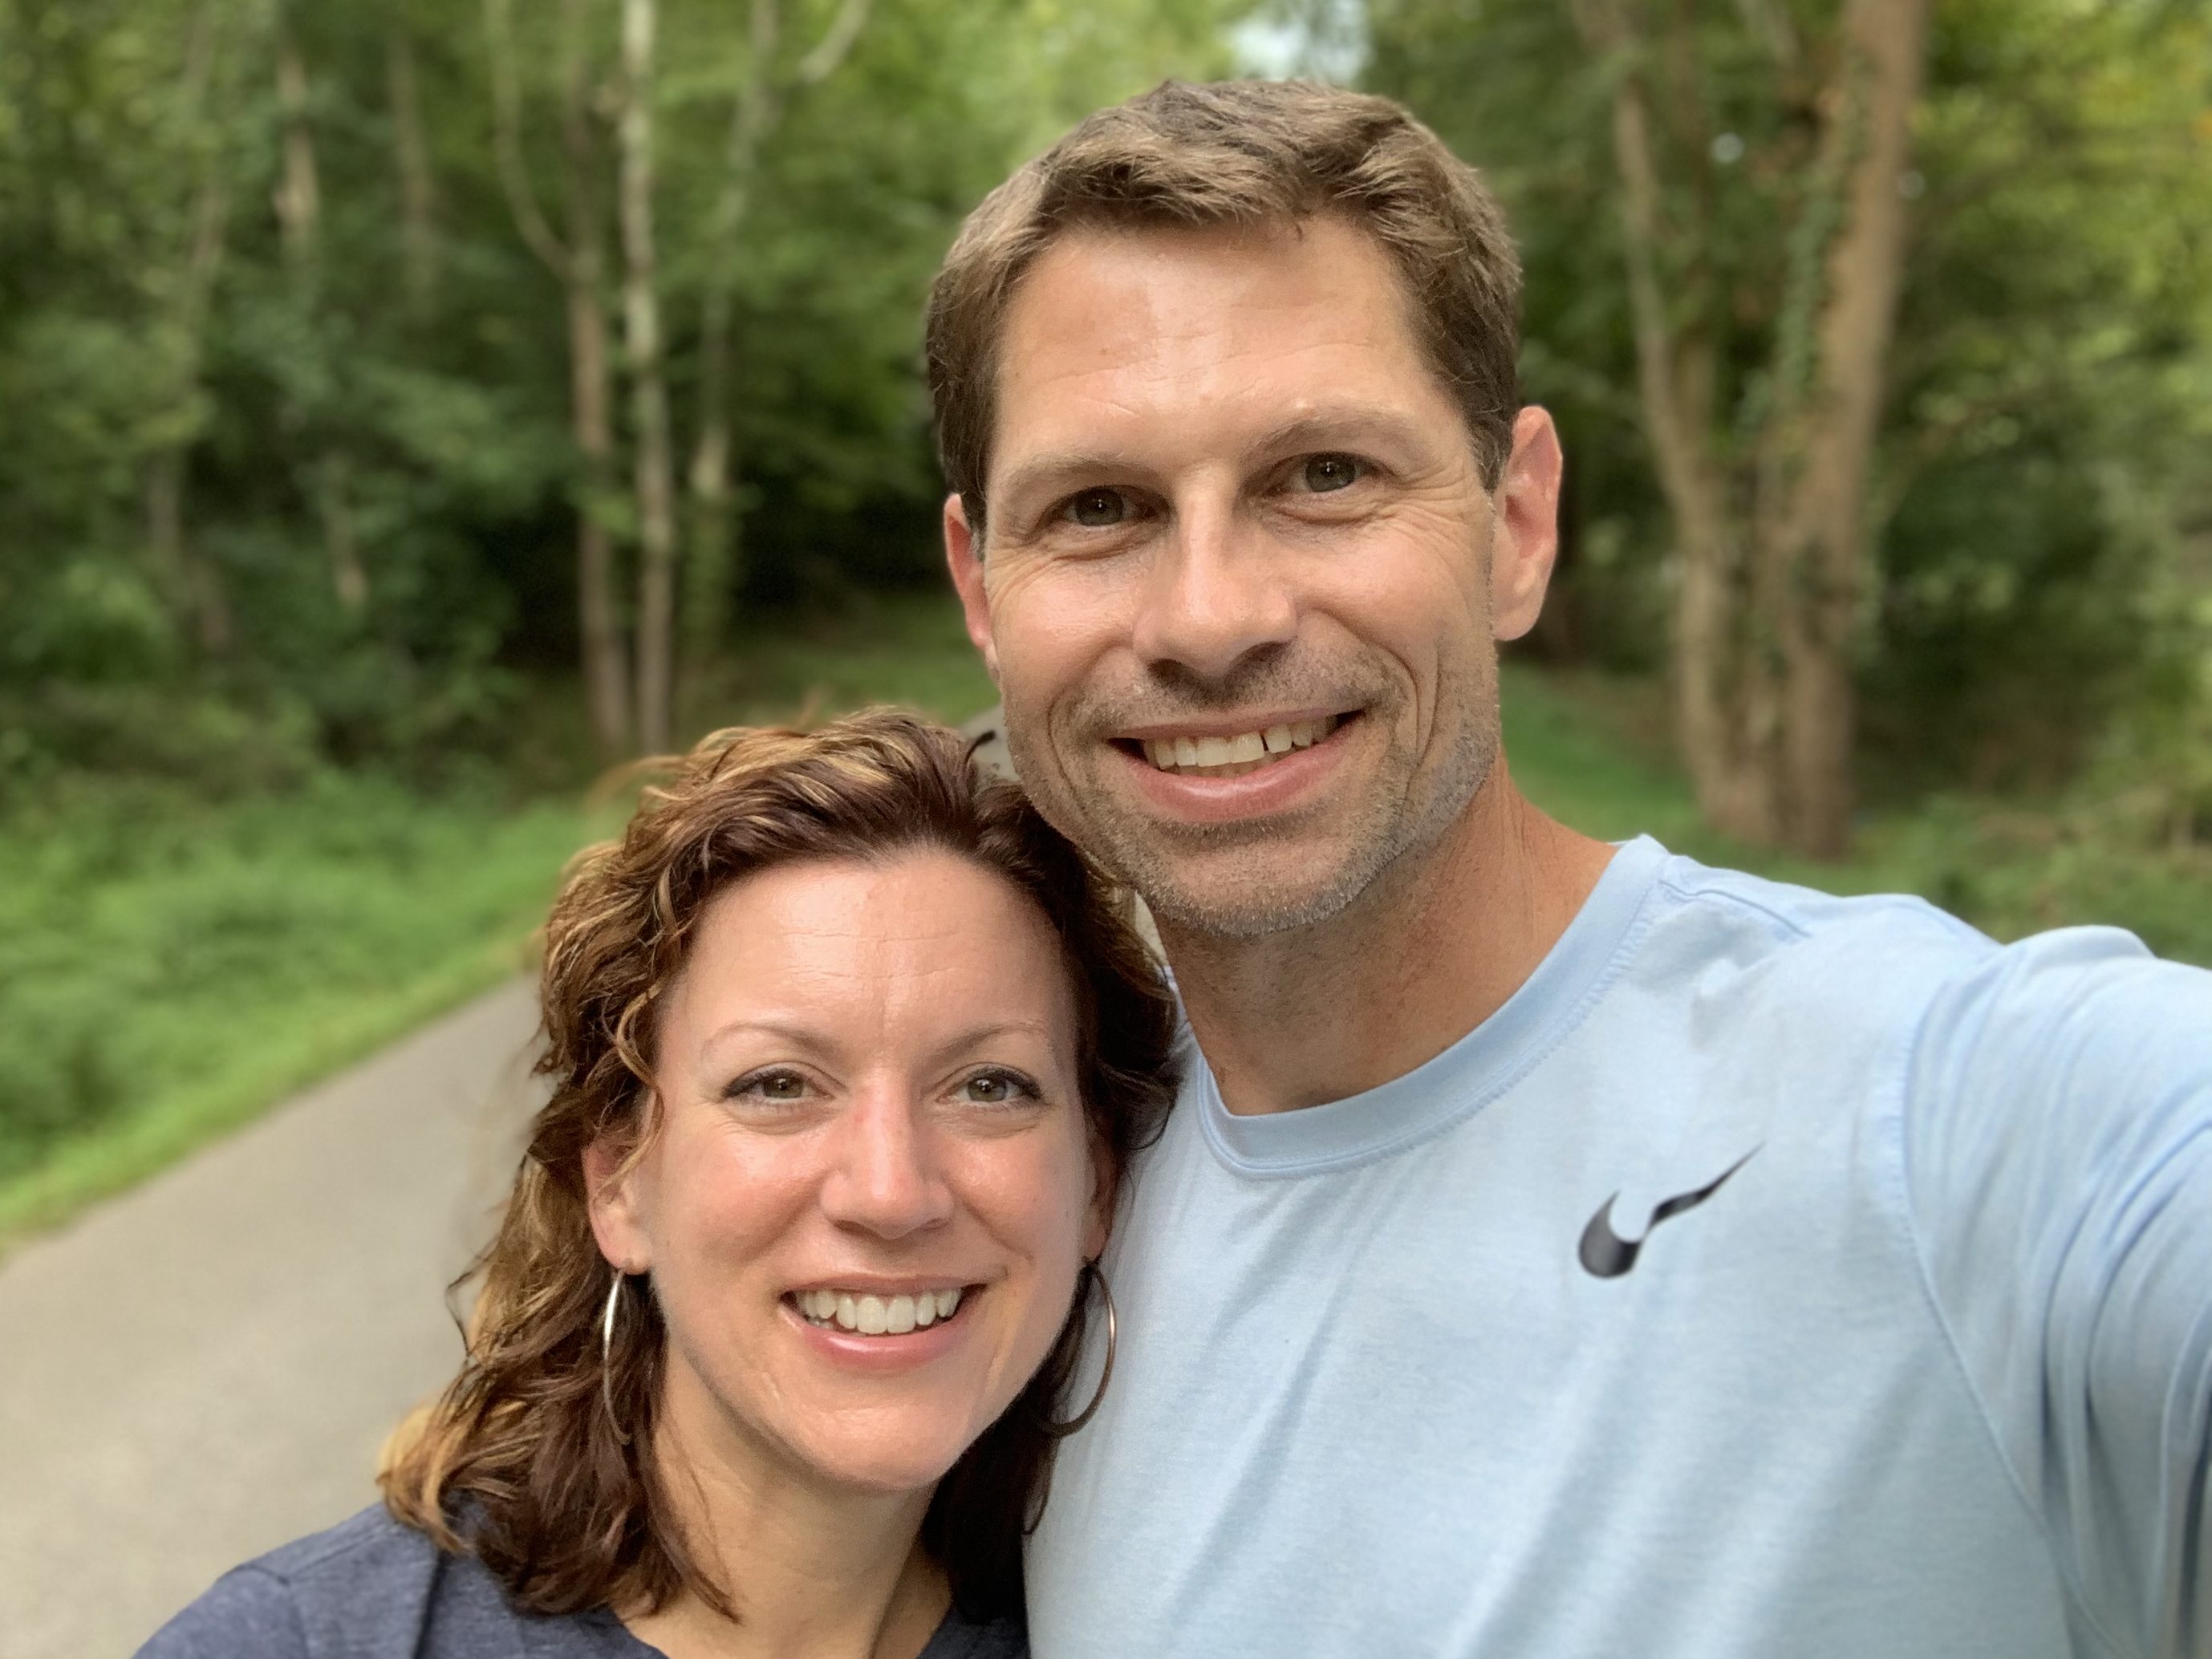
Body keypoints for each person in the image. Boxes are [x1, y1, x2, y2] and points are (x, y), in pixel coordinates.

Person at [930, 79, 2212, 1659]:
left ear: (1517, 523)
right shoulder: (1016, 1214)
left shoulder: (1942, 1118)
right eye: (1099, 507)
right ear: (981, 592)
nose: (1208, 618)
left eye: (1322, 475)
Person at [137, 712, 1179, 1659]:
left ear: (1095, 1183)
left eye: (989, 1086)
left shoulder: (1145, 1625)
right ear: (620, 1186)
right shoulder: (299, 1642)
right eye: (778, 1085)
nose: (890, 1191)